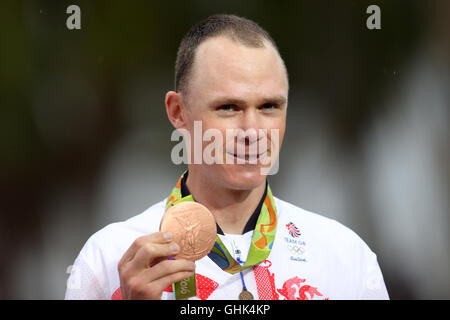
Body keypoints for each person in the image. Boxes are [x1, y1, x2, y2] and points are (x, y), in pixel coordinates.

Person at [65, 14, 389, 300]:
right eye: (229, 107)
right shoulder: (109, 259)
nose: (252, 130)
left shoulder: (346, 258)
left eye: (269, 107)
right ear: (178, 112)